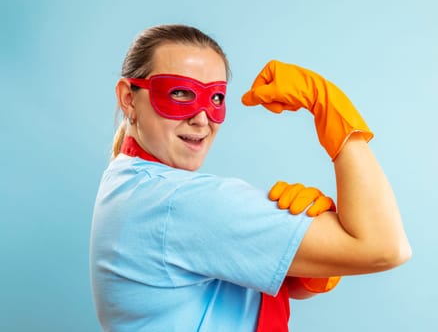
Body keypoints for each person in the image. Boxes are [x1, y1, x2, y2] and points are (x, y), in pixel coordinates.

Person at [90, 24, 412, 332]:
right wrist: (330, 108)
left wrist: (316, 258)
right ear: (128, 98)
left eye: (215, 98)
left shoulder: (128, 183)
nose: (202, 118)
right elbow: (386, 247)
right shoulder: (180, 203)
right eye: (180, 93)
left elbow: (240, 287)